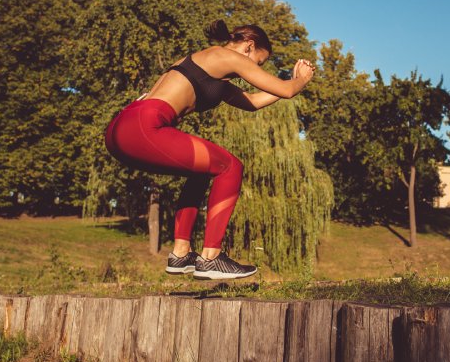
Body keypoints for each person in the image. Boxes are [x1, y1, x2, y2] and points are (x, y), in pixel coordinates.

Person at [104, 20, 315, 280]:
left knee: (203, 170)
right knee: (230, 166)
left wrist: (290, 82)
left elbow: (254, 102)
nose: (254, 70)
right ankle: (211, 257)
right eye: (258, 63)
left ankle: (181, 254)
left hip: (123, 128)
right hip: (145, 126)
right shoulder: (225, 55)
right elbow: (286, 90)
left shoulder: (209, 67)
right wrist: (300, 80)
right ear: (249, 46)